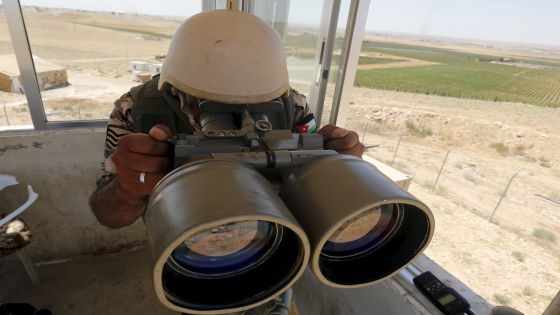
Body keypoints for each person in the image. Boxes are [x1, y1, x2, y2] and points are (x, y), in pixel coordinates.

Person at [89, 9, 365, 229]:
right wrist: (127, 189)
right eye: (211, 99)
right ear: (180, 84)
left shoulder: (291, 105)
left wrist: (342, 166)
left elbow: (316, 190)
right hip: (183, 243)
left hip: (272, 238)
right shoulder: (135, 108)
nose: (237, 112)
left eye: (253, 98)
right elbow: (108, 216)